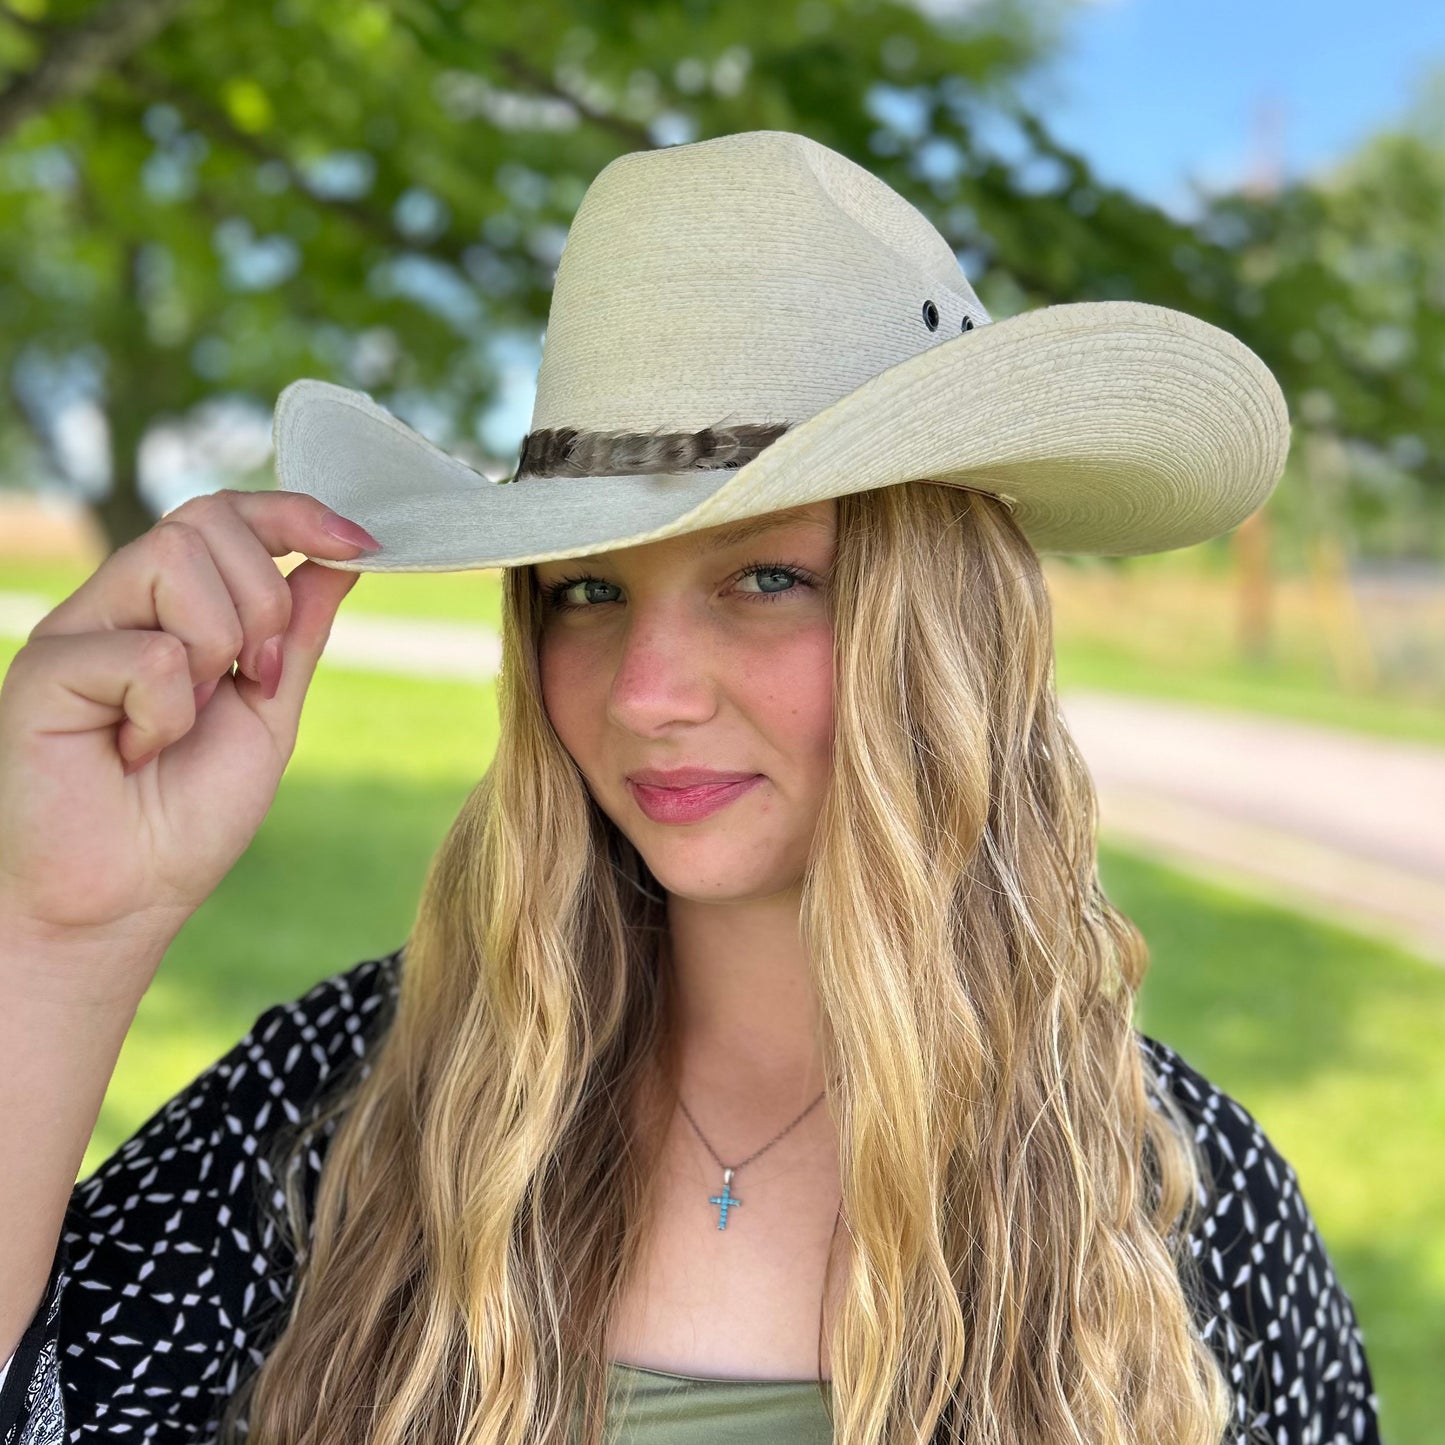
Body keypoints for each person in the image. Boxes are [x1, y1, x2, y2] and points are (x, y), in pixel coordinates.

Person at [0, 130, 1380, 1445]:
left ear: (941, 624)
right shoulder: (353, 1107)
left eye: (764, 577)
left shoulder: (1170, 1204)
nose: (645, 689)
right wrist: (55, 935)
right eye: (586, 590)